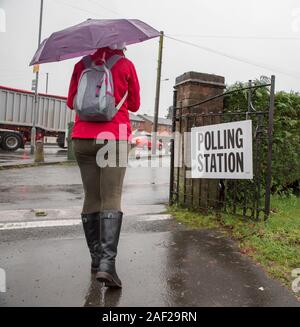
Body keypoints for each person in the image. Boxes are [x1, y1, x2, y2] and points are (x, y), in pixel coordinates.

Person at [67, 44, 140, 288]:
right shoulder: (126, 65)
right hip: (114, 136)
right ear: (121, 45)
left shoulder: (81, 65)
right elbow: (136, 105)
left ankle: (96, 260)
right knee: (112, 195)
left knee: (92, 196)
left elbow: (71, 102)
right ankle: (108, 266)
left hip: (82, 137)